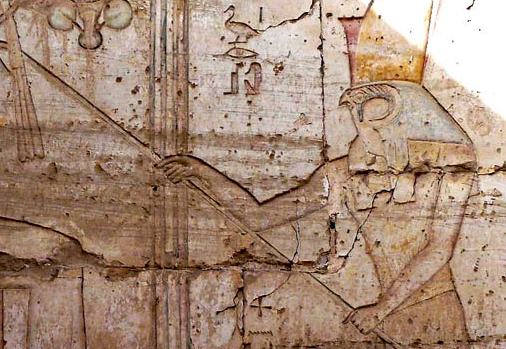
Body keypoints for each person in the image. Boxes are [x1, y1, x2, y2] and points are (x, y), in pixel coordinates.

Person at [157, 80, 476, 343]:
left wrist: (381, 309)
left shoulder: (449, 171)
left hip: (433, 309)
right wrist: (204, 174)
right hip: (381, 319)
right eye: (361, 123)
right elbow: (262, 218)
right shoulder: (341, 174)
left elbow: (439, 250)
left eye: (378, 126)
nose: (366, 134)